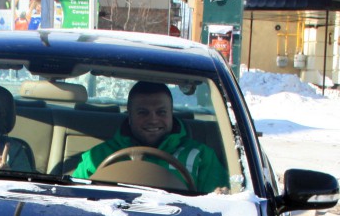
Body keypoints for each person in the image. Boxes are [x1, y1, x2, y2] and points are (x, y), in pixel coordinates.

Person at [72, 81, 228, 193]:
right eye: (143, 113)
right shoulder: (97, 157)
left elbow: (219, 205)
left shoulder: (201, 156)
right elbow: (74, 200)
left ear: (171, 114)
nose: (153, 119)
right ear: (129, 116)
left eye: (161, 112)